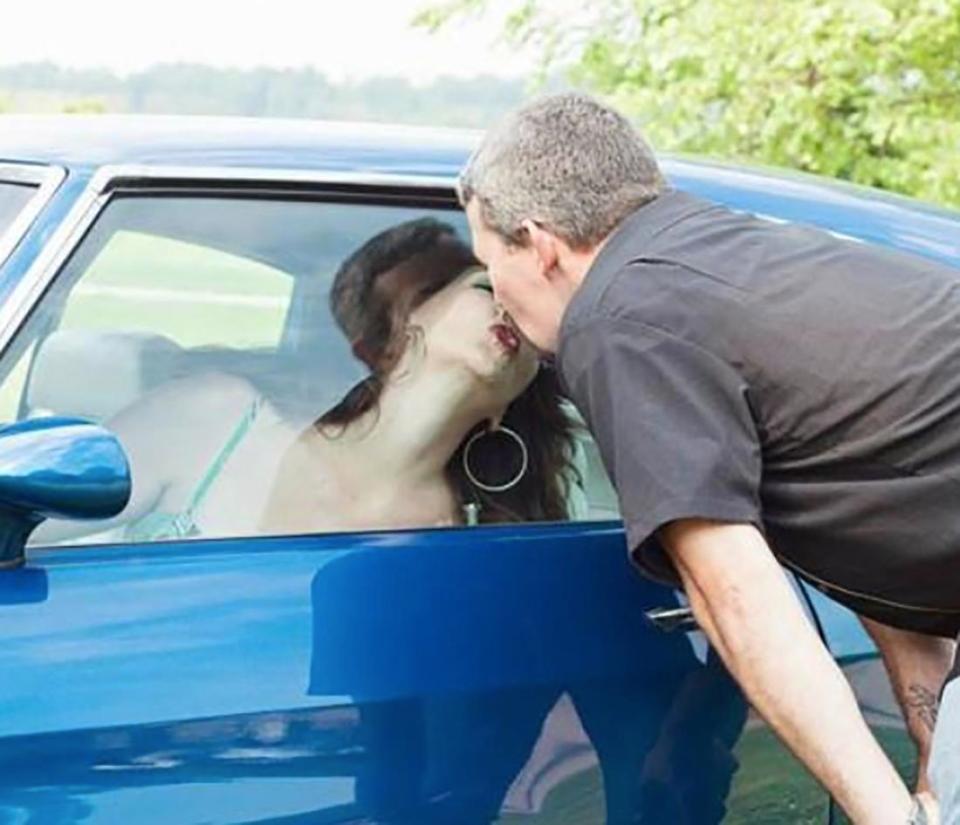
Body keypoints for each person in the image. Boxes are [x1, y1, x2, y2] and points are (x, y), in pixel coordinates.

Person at [461, 91, 959, 825]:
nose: (497, 299)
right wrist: (930, 757)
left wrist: (887, 817)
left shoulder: (616, 317)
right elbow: (875, 522)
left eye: (488, 263)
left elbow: (733, 592)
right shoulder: (722, 256)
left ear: (539, 244)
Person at [33, 218, 579, 544]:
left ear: (502, 411)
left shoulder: (469, 534)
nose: (510, 312)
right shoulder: (216, 417)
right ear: (393, 336)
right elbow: (20, 516)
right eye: (487, 289)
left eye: (527, 318)